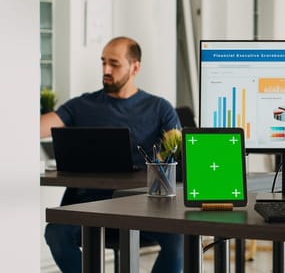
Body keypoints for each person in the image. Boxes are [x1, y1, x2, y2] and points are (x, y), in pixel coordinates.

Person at [40, 37, 182, 273]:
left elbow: (177, 151)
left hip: (142, 204)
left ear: (135, 67)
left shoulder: (159, 108)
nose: (106, 70)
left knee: (178, 239)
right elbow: (36, 128)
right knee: (55, 233)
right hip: (88, 203)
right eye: (103, 62)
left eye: (114, 64)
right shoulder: (81, 105)